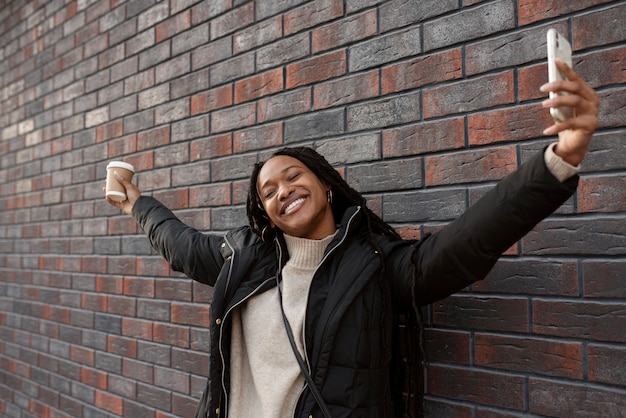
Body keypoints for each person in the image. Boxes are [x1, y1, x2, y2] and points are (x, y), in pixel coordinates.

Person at [106, 60, 599, 418]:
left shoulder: (375, 265)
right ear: (267, 214)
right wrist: (134, 203)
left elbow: (464, 246)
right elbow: (180, 243)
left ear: (325, 184)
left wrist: (559, 161)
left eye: (293, 177)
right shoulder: (243, 258)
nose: (283, 192)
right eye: (268, 192)